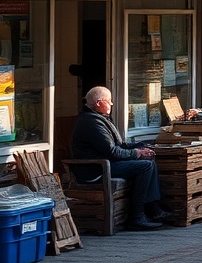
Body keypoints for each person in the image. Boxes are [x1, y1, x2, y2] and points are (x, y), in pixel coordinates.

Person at [69, 86, 173, 230]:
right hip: (96, 169)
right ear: (99, 103)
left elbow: (119, 145)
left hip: (107, 163)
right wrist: (137, 153)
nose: (111, 104)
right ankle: (136, 217)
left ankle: (152, 207)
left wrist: (140, 146)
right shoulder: (92, 122)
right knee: (145, 166)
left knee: (149, 161)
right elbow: (112, 151)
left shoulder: (99, 118)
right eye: (109, 101)